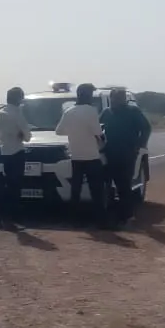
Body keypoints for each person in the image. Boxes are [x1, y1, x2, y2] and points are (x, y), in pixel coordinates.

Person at [55, 83, 107, 225]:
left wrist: (73, 132)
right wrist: (102, 140)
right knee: (96, 190)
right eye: (90, 93)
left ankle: (74, 220)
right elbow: (98, 132)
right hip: (91, 156)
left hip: (76, 156)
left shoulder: (69, 111)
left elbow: (58, 131)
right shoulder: (91, 111)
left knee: (75, 189)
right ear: (86, 95)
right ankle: (101, 221)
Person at [100, 89, 152, 225]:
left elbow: (146, 128)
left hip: (127, 153)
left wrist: (140, 144)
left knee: (123, 184)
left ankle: (125, 215)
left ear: (124, 99)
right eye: (114, 98)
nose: (116, 100)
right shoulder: (106, 112)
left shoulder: (133, 111)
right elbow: (98, 128)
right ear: (111, 98)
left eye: (119, 98)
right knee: (106, 185)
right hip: (108, 152)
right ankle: (110, 213)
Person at [0, 87, 31, 229]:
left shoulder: (0, 113)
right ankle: (7, 218)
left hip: (5, 153)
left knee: (8, 185)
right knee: (15, 188)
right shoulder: (17, 114)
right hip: (17, 153)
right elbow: (27, 136)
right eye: (21, 97)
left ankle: (0, 215)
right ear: (17, 98)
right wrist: (22, 135)